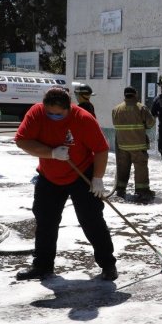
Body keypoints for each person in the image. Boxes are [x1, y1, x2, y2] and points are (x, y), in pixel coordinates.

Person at [14, 87, 117, 281]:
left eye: (58, 114)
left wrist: (97, 178)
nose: (53, 117)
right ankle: (42, 265)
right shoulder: (36, 113)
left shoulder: (83, 119)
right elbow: (22, 140)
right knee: (45, 220)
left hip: (81, 174)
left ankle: (108, 264)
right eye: (49, 113)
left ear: (69, 108)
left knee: (91, 220)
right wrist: (51, 153)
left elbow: (101, 149)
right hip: (49, 176)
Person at [112, 87, 156, 202]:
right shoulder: (141, 108)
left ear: (125, 95)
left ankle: (120, 189)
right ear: (135, 94)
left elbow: (115, 124)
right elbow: (151, 123)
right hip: (138, 145)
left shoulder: (116, 109)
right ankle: (142, 190)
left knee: (122, 167)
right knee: (140, 167)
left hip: (122, 145)